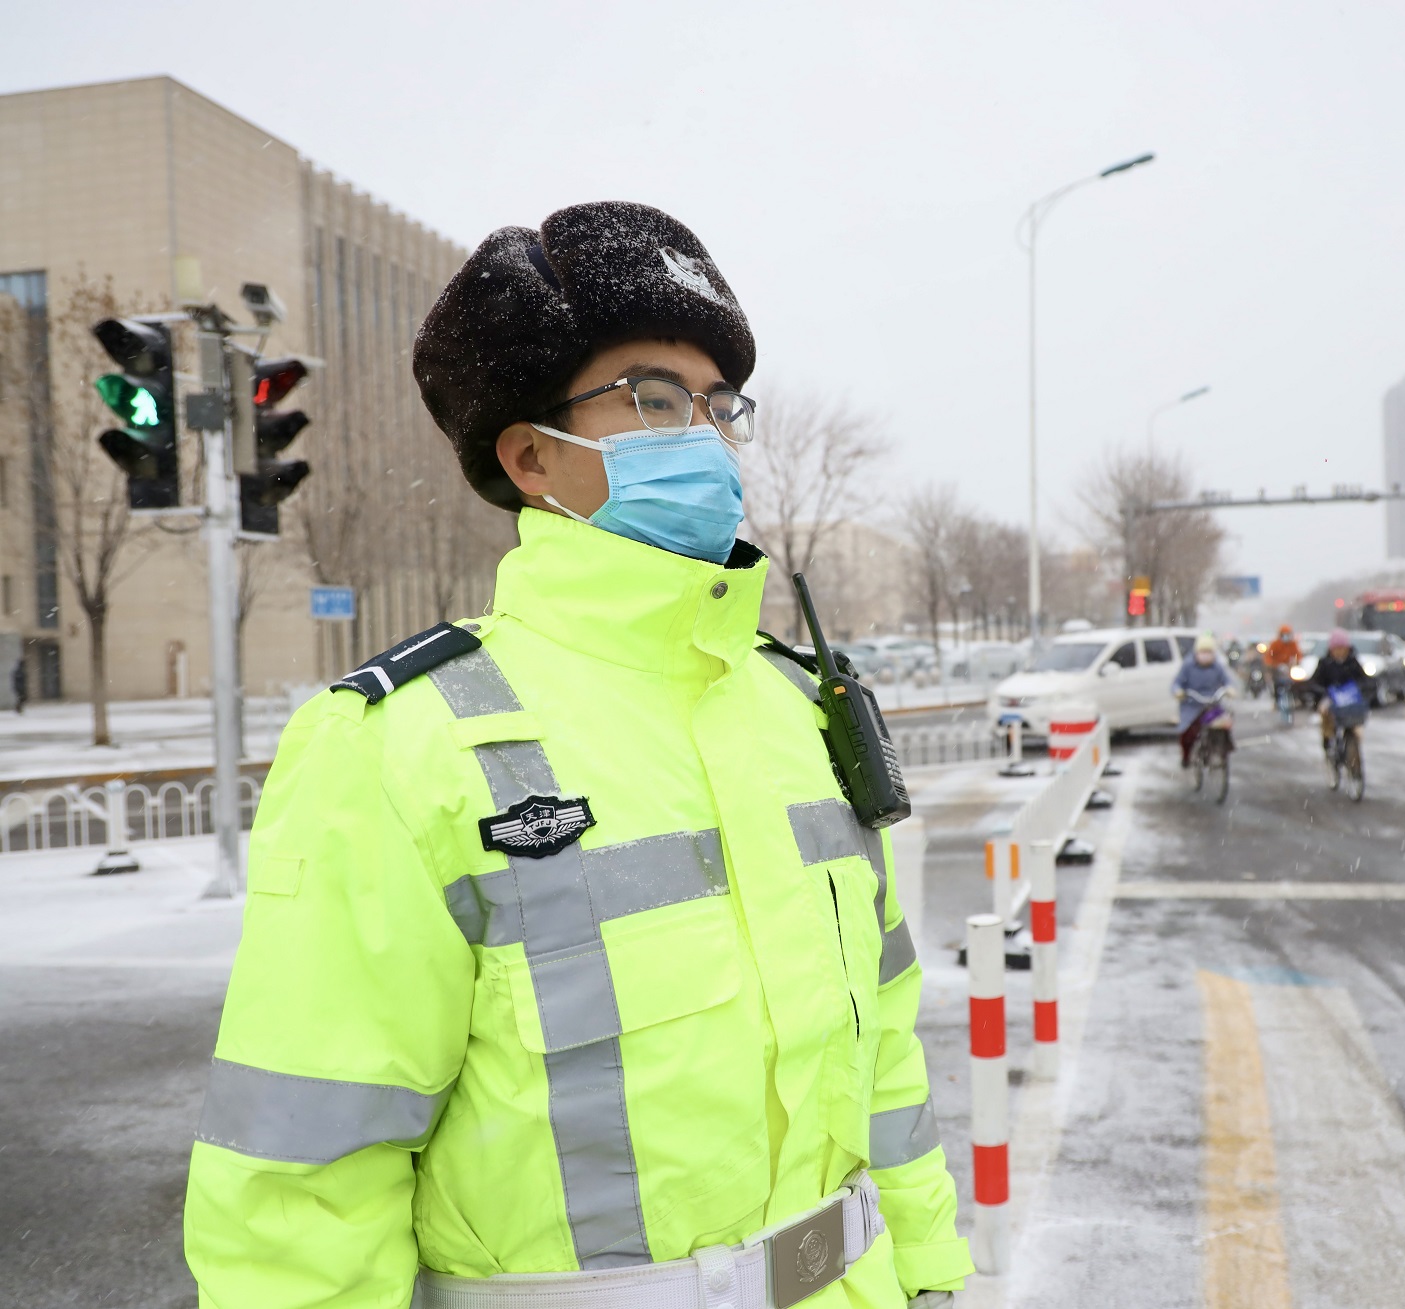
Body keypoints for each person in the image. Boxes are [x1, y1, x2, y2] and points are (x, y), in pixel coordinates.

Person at [183, 203, 971, 1309]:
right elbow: (306, 1179)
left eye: (718, 405)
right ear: (531, 455)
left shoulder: (798, 710)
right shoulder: (402, 744)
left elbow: (884, 1049)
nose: (703, 436)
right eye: (654, 398)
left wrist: (933, 1276)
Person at [1172, 633, 1234, 766]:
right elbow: (1177, 683)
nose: (1205, 655)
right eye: (1203, 652)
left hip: (1212, 704)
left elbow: (1227, 681)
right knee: (1188, 733)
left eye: (1208, 652)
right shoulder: (1188, 666)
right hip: (1192, 705)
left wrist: (1229, 689)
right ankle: (1186, 757)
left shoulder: (1217, 667)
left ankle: (1222, 750)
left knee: (1224, 724)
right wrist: (1178, 691)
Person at [1308, 629, 1374, 751]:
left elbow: (1365, 679)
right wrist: (1324, 692)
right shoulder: (1325, 664)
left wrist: (1360, 688)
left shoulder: (1353, 663)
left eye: (1342, 648)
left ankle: (1353, 747)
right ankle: (1328, 741)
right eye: (1336, 648)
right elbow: (1314, 682)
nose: (1340, 652)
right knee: (1326, 715)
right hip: (1330, 699)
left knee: (1355, 719)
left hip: (1350, 701)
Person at [1261, 625, 1302, 706]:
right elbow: (1268, 656)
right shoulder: (1275, 644)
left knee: (1297, 681)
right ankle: (1276, 701)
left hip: (1289, 668)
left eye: (1288, 634)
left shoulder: (1293, 644)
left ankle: (1296, 698)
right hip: (1277, 667)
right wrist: (1272, 664)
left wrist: (1296, 662)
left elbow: (1298, 654)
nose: (1286, 636)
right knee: (1277, 683)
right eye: (1284, 634)